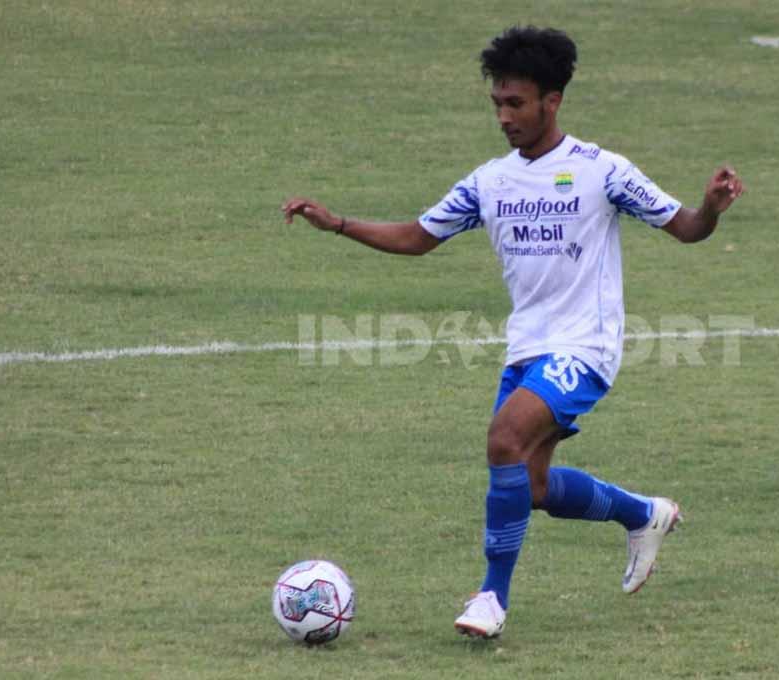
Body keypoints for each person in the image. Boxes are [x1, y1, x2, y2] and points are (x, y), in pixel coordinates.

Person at [282, 25, 744, 639]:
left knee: (504, 438)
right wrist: (338, 223)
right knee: (531, 486)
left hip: (585, 347)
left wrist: (709, 207)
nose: (503, 117)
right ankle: (643, 514)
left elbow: (686, 227)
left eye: (516, 103)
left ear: (552, 101)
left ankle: (491, 598)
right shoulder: (489, 182)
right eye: (497, 103)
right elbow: (418, 237)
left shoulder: (601, 171)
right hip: (527, 350)